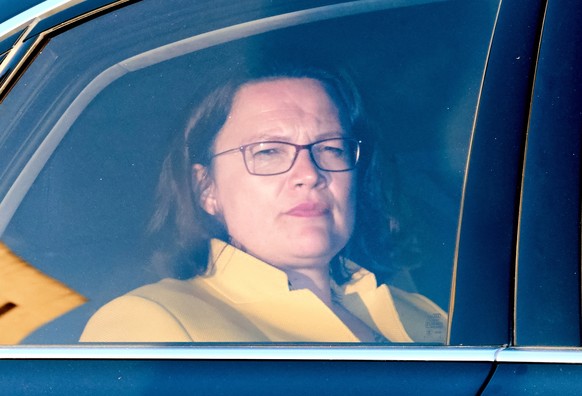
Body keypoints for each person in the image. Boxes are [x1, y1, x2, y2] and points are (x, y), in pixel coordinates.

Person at [80, 66, 446, 343]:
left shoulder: (424, 311)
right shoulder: (152, 324)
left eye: (331, 148)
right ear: (207, 188)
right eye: (268, 151)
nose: (309, 173)